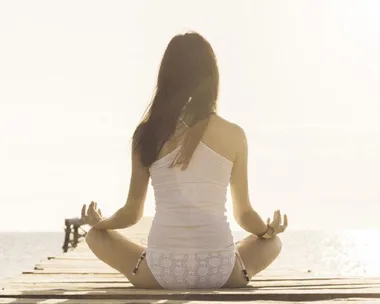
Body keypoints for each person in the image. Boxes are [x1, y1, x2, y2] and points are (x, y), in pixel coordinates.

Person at [81, 31, 288, 289]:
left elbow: (132, 213)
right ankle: (235, 257)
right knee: (273, 242)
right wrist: (268, 231)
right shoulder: (234, 134)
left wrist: (102, 223)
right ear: (211, 77)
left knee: (94, 237)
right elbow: (244, 214)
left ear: (166, 77)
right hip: (221, 271)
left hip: (161, 272)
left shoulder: (147, 133)